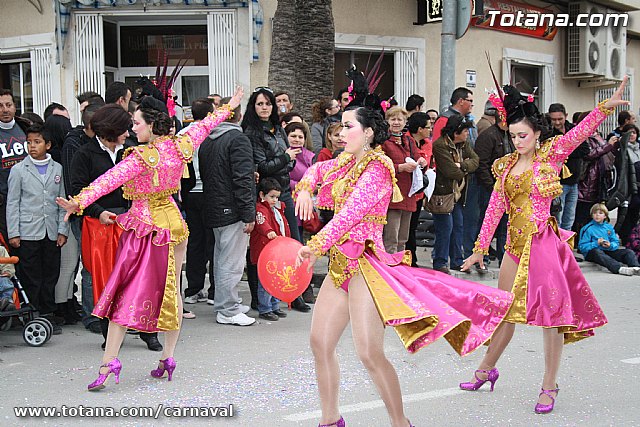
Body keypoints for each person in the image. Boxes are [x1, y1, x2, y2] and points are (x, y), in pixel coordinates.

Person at [294, 105, 514, 427]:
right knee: (320, 343)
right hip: (340, 264)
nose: (341, 133)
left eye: (348, 126)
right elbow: (316, 170)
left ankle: (401, 423)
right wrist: (303, 188)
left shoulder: (379, 168)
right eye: (340, 127)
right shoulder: (346, 163)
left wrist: (314, 246)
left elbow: (349, 216)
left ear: (368, 132)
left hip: (365, 270)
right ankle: (331, 419)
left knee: (369, 354)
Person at [460, 78, 628, 414]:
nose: (518, 141)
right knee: (504, 312)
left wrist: (601, 110)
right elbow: (495, 207)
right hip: (513, 246)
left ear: (537, 134)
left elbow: (575, 136)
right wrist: (480, 247)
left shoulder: (551, 155)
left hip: (543, 244)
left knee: (552, 318)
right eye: (513, 136)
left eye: (523, 135)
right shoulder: (505, 166)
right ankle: (486, 368)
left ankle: (549, 384)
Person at [57, 88, 243, 391]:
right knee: (173, 290)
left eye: (138, 123)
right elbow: (205, 125)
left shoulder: (141, 156)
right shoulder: (181, 143)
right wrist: (229, 107)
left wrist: (79, 202)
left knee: (124, 291)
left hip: (146, 229)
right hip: (174, 224)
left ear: (152, 126)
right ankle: (167, 358)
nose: (133, 128)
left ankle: (110, 362)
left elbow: (108, 181)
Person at [243, 88, 310, 313]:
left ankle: (293, 293)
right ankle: (259, 298)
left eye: (268, 104)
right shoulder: (252, 131)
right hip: (263, 193)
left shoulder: (278, 129)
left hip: (283, 191)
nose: (264, 107)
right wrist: (285, 158)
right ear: (253, 106)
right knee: (261, 245)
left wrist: (286, 160)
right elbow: (262, 166)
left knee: (291, 239)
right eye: (260, 104)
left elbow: (289, 159)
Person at [200, 96, 257, 326]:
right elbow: (242, 178)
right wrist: (248, 213)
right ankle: (228, 309)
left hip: (214, 205)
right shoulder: (238, 139)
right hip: (232, 207)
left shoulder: (208, 140)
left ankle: (225, 301)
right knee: (231, 262)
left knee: (221, 258)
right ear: (239, 115)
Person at [7, 124, 68, 333]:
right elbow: (13, 202)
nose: (32, 146)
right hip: (28, 231)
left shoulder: (57, 169)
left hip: (50, 230)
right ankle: (32, 312)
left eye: (37, 142)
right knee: (31, 274)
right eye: (29, 142)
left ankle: (48, 312)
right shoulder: (18, 170)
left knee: (51, 272)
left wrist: (62, 230)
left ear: (48, 145)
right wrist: (13, 232)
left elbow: (62, 202)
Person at [431, 114, 478, 274]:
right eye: (465, 131)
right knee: (445, 228)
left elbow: (475, 160)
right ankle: (440, 262)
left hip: (458, 193)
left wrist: (462, 165)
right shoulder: (440, 145)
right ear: (455, 132)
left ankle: (457, 261)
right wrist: (463, 169)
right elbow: (451, 171)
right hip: (443, 193)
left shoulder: (464, 144)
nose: (467, 134)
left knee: (458, 226)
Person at [181, 98, 216, 308]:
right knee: (213, 243)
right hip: (209, 192)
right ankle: (213, 291)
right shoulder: (211, 133)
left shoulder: (182, 134)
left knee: (195, 243)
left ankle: (193, 290)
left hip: (189, 193)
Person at [381, 106, 427, 254]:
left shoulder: (409, 140)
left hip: (409, 193)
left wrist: (421, 161)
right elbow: (378, 166)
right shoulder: (383, 141)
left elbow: (417, 156)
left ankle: (400, 269)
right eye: (393, 119)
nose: (396, 122)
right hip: (392, 195)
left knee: (403, 239)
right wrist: (400, 167)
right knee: (391, 238)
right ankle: (389, 270)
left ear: (405, 122)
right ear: (387, 121)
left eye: (399, 119)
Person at [474, 102, 513, 265]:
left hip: (509, 187)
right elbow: (482, 164)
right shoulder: (488, 136)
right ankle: (483, 251)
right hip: (490, 187)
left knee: (506, 222)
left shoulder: (512, 135)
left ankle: (503, 253)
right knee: (486, 220)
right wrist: (492, 186)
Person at [249, 178, 291, 321]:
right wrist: (269, 232)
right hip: (264, 252)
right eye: (271, 196)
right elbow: (262, 222)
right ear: (262, 195)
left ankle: (274, 306)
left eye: (276, 197)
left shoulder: (276, 209)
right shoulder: (261, 209)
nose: (274, 200)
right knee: (266, 283)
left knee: (275, 280)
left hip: (274, 252)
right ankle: (265, 308)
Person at [575, 111, 617, 235]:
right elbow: (588, 154)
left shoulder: (596, 135)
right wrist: (608, 145)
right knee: (581, 214)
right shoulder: (581, 136)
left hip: (598, 180)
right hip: (586, 181)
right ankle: (579, 240)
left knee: (592, 213)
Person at [549, 103, 590, 231]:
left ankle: (566, 247)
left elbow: (585, 150)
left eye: (560, 119)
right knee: (557, 219)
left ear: (566, 116)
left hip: (574, 181)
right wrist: (571, 149)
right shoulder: (549, 133)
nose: (557, 122)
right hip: (558, 183)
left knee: (569, 219)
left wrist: (566, 151)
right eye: (554, 119)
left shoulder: (573, 129)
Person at [0, 89, 31, 243]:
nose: (5, 110)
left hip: (29, 197)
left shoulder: (26, 127)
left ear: (14, 107)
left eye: (8, 105)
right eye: (0, 106)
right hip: (4, 200)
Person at [578, 203, 640, 276]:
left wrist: (610, 245)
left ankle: (636, 268)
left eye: (600, 213)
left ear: (605, 216)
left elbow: (615, 242)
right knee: (597, 252)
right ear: (592, 215)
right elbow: (582, 247)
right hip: (592, 253)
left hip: (607, 250)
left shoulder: (609, 227)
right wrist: (596, 243)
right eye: (595, 213)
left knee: (628, 252)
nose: (597, 215)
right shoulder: (588, 228)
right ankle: (618, 268)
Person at [403, 112, 432, 267]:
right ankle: (408, 259)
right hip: (406, 191)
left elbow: (428, 163)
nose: (430, 130)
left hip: (420, 191)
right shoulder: (405, 140)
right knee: (404, 230)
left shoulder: (427, 143)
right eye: (428, 127)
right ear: (420, 129)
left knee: (413, 227)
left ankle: (412, 260)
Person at [618, 123, 640, 244]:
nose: (632, 135)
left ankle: (634, 237)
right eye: (629, 133)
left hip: (638, 184)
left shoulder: (638, 147)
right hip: (627, 185)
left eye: (634, 133)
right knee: (626, 211)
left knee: (635, 212)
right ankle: (625, 237)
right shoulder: (622, 148)